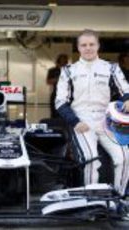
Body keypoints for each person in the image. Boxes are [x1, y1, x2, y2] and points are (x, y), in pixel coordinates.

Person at [55, 29, 129, 196]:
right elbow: (60, 102)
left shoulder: (111, 68)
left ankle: (121, 199)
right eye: (84, 45)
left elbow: (125, 90)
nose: (88, 48)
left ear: (98, 46)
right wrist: (75, 121)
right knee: (90, 160)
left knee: (125, 158)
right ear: (78, 47)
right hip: (81, 120)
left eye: (91, 44)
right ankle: (91, 201)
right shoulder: (68, 71)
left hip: (106, 120)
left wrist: (127, 99)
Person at [46, 54, 68, 118]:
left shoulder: (69, 70)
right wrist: (60, 78)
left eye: (65, 61)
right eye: (62, 61)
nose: (63, 62)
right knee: (54, 113)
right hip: (56, 94)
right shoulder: (52, 70)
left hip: (66, 95)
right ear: (58, 61)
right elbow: (48, 81)